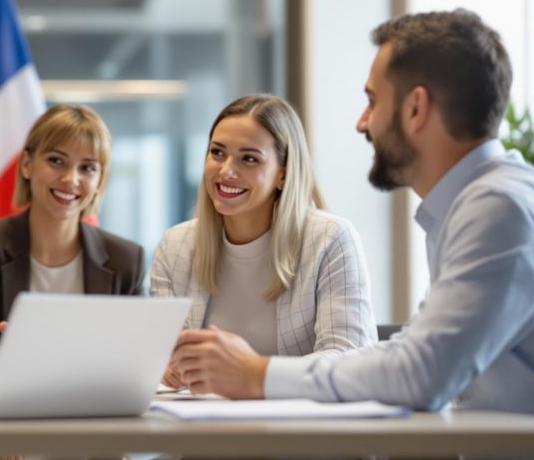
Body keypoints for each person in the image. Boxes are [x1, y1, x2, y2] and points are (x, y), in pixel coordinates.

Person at [172, 10, 534, 421]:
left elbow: (420, 374)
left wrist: (256, 374)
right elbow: (411, 353)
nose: (362, 123)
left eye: (372, 101)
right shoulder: (478, 203)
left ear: (415, 108)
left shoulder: (502, 209)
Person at [151, 95, 377, 388]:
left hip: (302, 425)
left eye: (249, 159)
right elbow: (160, 357)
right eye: (217, 153)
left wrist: (253, 373)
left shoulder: (331, 239)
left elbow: (348, 356)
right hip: (203, 423)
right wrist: (168, 368)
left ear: (283, 174)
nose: (226, 171)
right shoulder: (175, 245)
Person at [0, 104, 144, 360]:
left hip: (95, 398)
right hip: (6, 396)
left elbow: (135, 355)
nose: (71, 179)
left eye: (87, 168)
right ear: (27, 164)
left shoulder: (125, 259)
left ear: (99, 180)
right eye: (56, 161)